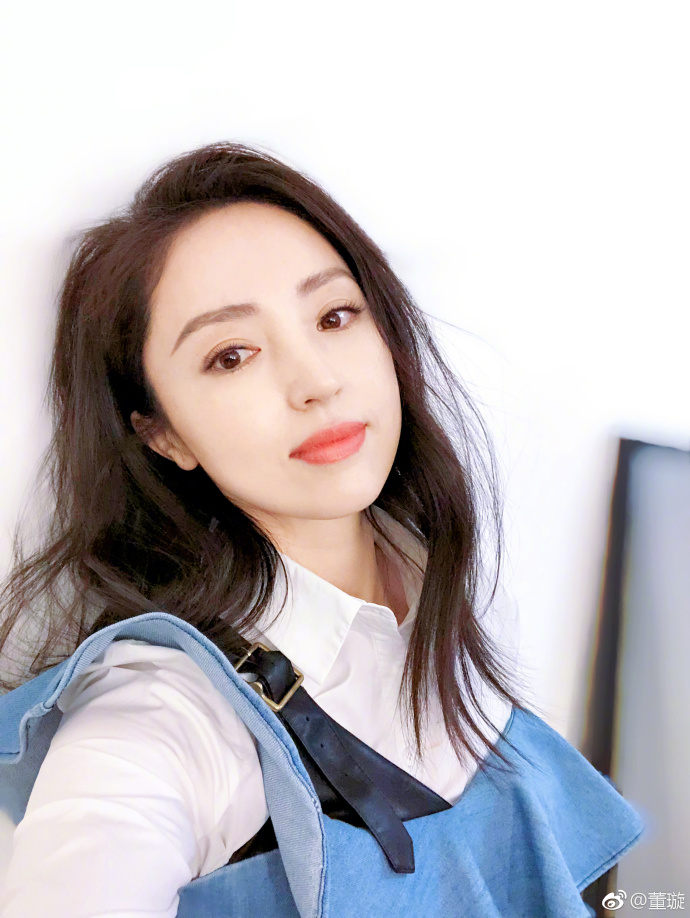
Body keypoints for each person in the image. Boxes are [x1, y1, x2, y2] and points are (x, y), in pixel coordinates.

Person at [0, 142, 643, 917]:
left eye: (334, 316)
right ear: (161, 433)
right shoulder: (165, 716)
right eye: (231, 355)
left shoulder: (441, 579)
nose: (317, 380)